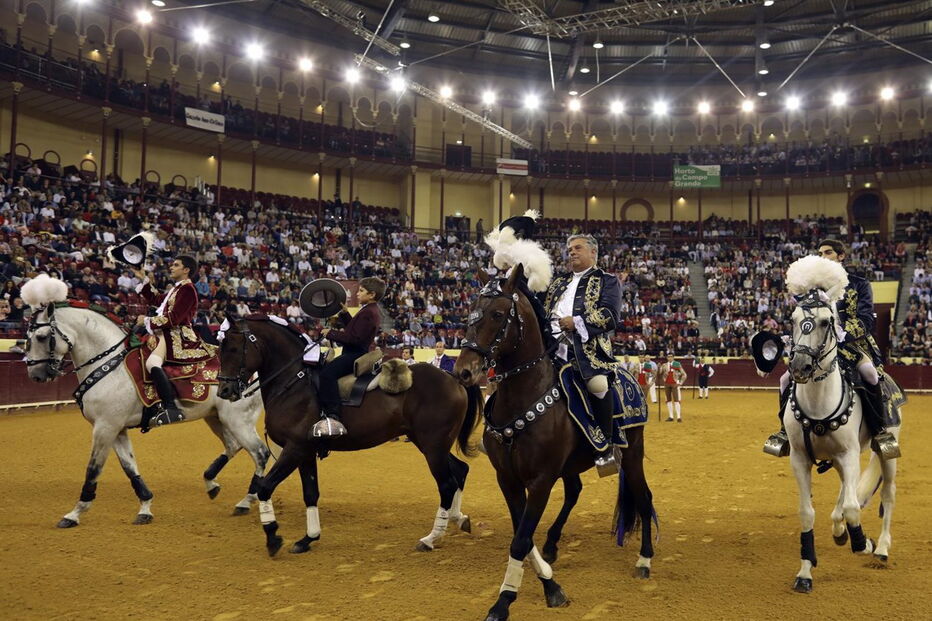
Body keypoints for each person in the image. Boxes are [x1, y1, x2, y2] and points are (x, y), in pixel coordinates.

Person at [764, 239, 900, 458]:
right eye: (820, 252)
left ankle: (879, 431)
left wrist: (843, 332)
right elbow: (804, 320)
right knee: (784, 381)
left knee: (870, 374)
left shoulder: (859, 284)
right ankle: (784, 433)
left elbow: (866, 318)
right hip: (818, 347)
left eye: (828, 252)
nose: (823, 256)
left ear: (841, 256)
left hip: (851, 345)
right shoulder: (811, 289)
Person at [543, 234, 622, 473]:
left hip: (588, 351)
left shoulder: (607, 280)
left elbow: (610, 315)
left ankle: (605, 448)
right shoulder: (558, 282)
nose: (572, 252)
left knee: (598, 384)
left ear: (593, 253)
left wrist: (576, 322)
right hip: (551, 349)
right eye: (569, 249)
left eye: (577, 248)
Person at [134, 256, 213, 429]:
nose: (171, 267)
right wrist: (143, 279)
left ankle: (170, 407)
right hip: (165, 333)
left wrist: (147, 320)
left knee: (152, 363)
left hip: (177, 335)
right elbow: (157, 300)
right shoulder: (178, 289)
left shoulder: (188, 290)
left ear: (186, 270)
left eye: (176, 265)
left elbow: (175, 318)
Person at [312, 277, 386, 438]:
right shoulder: (370, 309)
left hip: (354, 353)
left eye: (361, 291)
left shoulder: (367, 312)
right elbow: (355, 330)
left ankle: (333, 414)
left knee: (327, 374)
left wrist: (330, 333)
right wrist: (345, 314)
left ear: (372, 294)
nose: (357, 294)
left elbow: (354, 338)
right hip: (356, 351)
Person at [657, 352, 686, 422]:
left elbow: (684, 374)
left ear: (673, 357)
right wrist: (658, 367)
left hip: (675, 384)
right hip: (667, 384)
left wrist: (681, 383)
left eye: (671, 356)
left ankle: (679, 417)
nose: (669, 358)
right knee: (668, 400)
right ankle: (671, 416)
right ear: (667, 358)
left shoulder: (677, 364)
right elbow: (659, 373)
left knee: (676, 400)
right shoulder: (664, 365)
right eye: (668, 357)